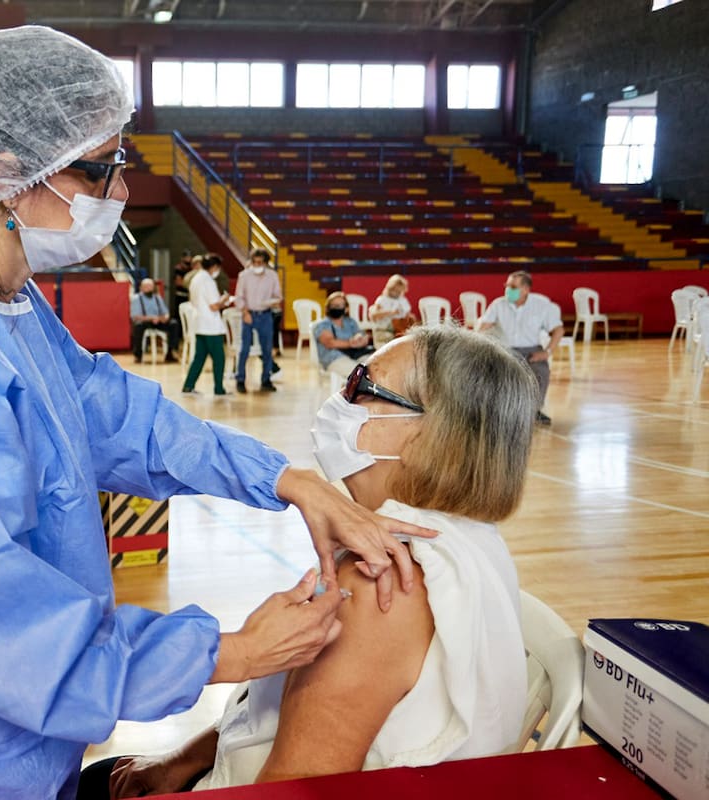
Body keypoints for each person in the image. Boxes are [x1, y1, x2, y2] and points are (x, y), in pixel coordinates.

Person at [0, 26, 433, 800]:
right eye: (99, 169)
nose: (118, 194)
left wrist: (288, 481)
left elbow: (118, 417)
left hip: (16, 734)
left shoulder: (8, 308)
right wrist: (229, 653)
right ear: (6, 172)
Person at [82, 326, 536, 797]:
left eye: (362, 384)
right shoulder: (463, 540)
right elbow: (272, 715)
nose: (341, 396)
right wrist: (186, 758)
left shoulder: (380, 584)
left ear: (426, 438)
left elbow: (292, 786)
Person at [477, 270, 563, 426]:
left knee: (541, 371)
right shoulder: (498, 304)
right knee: (497, 374)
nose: (508, 289)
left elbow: (558, 330)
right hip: (505, 350)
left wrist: (546, 352)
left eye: (513, 286)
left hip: (531, 350)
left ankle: (535, 410)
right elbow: (483, 328)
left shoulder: (541, 305)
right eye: (507, 285)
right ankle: (502, 412)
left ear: (525, 290)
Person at [182, 253, 232, 396]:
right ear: (215, 267)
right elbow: (214, 306)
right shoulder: (208, 281)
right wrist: (224, 300)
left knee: (199, 357)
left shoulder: (195, 278)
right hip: (211, 326)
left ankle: (188, 385)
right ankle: (219, 388)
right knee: (219, 359)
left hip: (199, 324)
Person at [234, 248, 282, 393]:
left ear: (266, 263)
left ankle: (266, 379)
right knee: (245, 349)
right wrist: (244, 311)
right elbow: (239, 297)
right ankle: (240, 379)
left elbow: (278, 296)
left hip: (266, 315)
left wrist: (272, 302)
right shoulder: (244, 276)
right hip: (249, 314)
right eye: (254, 262)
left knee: (267, 349)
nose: (257, 265)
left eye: (260, 262)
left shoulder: (272, 276)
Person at [313, 291, 374, 379]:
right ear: (327, 308)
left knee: (374, 368)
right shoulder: (322, 324)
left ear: (346, 308)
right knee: (358, 374)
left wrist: (361, 339)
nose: (336, 308)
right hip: (334, 358)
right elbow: (330, 343)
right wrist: (351, 343)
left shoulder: (350, 322)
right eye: (333, 305)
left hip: (355, 355)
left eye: (339, 305)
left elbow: (361, 334)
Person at [130, 277, 180, 363]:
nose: (148, 288)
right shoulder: (136, 298)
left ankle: (170, 352)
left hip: (158, 321)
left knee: (174, 324)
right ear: (141, 288)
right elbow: (135, 316)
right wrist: (152, 318)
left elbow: (165, 312)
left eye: (150, 286)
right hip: (145, 321)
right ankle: (138, 354)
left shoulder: (157, 297)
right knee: (138, 326)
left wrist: (164, 318)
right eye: (146, 286)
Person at [369, 274, 416, 347]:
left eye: (399, 291)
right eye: (395, 290)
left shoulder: (402, 300)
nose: (397, 293)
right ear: (390, 288)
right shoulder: (382, 300)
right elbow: (374, 315)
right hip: (384, 330)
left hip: (399, 330)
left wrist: (410, 318)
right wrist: (391, 313)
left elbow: (408, 315)